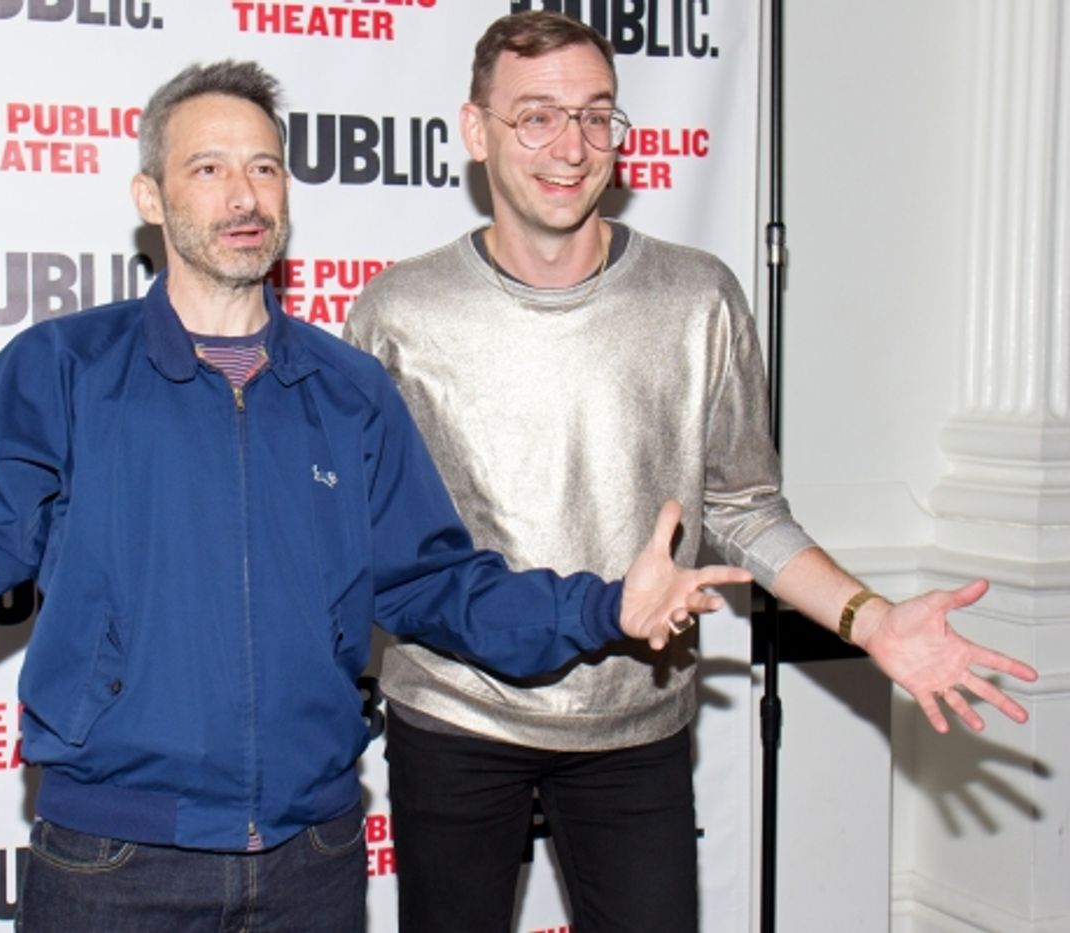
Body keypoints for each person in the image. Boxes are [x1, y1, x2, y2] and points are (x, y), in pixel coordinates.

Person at [0, 61, 752, 932]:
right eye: (207, 169)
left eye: (265, 169)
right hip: (113, 867)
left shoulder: (346, 389)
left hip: (315, 861)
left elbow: (439, 583)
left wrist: (601, 609)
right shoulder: (64, 368)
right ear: (151, 200)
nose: (244, 197)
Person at [342, 12, 1040, 933]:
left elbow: (745, 509)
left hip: (637, 723)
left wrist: (870, 622)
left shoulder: (698, 295)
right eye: (538, 117)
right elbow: (377, 546)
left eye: (597, 115)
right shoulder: (399, 310)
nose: (573, 146)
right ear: (476, 132)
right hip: (455, 717)